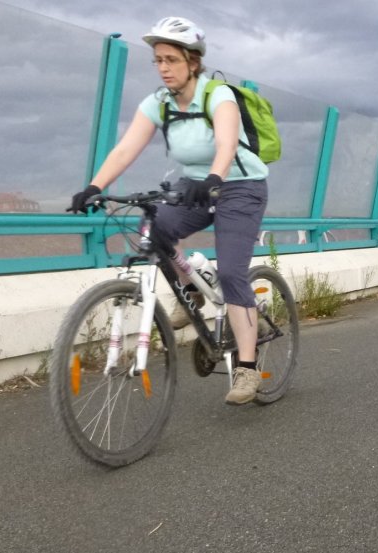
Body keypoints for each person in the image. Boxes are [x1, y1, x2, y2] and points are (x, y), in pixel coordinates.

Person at [68, 17, 269, 405]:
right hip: (193, 185)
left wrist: (213, 177)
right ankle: (190, 289)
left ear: (193, 62)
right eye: (158, 60)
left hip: (239, 186)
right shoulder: (158, 103)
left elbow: (227, 144)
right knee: (153, 228)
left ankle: (247, 367)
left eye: (171, 60)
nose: (163, 68)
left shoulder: (218, 96)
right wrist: (95, 186)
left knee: (230, 273)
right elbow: (125, 149)